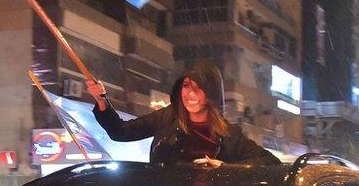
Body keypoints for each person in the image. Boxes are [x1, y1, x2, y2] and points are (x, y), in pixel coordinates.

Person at [86, 60, 280, 166]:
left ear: (211, 92)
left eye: (199, 87)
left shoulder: (229, 135)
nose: (190, 94)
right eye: (186, 86)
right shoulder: (167, 117)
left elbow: (269, 162)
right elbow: (121, 131)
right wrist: (101, 99)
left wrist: (224, 168)